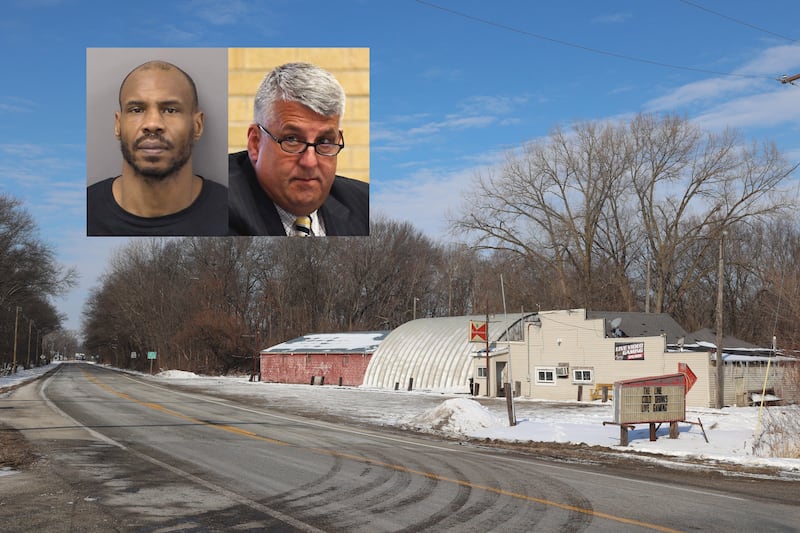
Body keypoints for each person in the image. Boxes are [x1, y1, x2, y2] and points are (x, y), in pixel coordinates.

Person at [87, 60, 227, 236]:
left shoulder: (232, 212)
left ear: (197, 126)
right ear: (118, 125)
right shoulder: (85, 212)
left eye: (170, 110)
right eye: (137, 110)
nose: (152, 124)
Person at [228, 62, 369, 236]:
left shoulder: (365, 203)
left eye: (324, 141)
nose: (310, 162)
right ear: (256, 143)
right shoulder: (221, 204)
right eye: (292, 139)